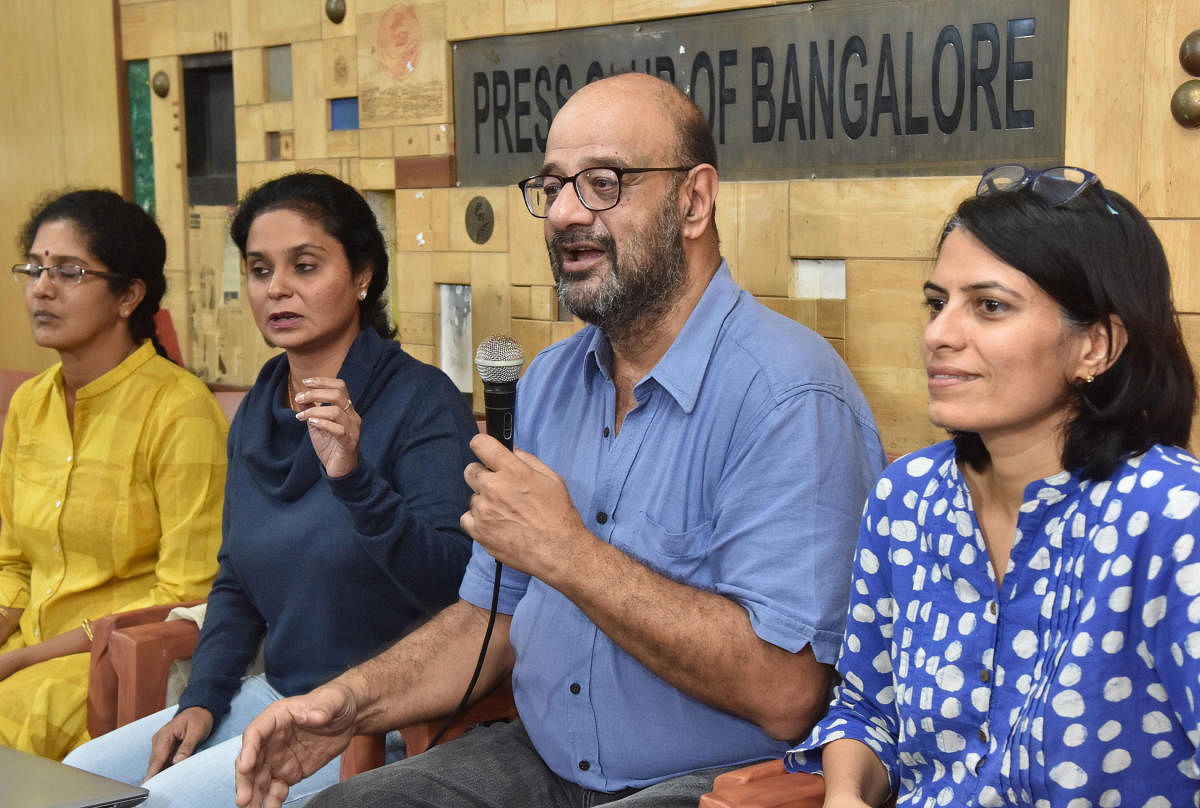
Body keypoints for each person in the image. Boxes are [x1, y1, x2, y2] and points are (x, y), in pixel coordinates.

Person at [234, 73, 886, 808]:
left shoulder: (789, 393)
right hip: (540, 761)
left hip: (716, 782)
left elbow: (787, 691)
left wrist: (570, 554)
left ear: (694, 201)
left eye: (604, 183)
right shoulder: (547, 383)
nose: (566, 214)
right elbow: (491, 619)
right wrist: (345, 704)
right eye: (552, 187)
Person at [785, 166, 1200, 807]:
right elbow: (868, 710)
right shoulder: (908, 497)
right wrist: (846, 795)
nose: (938, 334)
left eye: (989, 306)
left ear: (1096, 345)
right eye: (937, 302)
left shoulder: (1172, 518)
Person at [64, 172, 478, 805]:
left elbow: (452, 584)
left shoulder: (421, 402)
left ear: (363, 275)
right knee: (78, 773)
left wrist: (352, 478)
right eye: (260, 270)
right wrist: (202, 699)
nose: (278, 288)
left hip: (375, 716)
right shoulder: (261, 404)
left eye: (305, 266)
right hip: (274, 694)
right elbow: (236, 578)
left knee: (163, 803)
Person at [0, 189, 227, 759]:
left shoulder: (179, 409)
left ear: (128, 295)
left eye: (69, 272)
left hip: (117, 662)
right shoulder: (30, 404)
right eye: (34, 268)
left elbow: (187, 591)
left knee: (25, 713)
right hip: (27, 647)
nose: (42, 288)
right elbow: (12, 561)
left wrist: (24, 658)